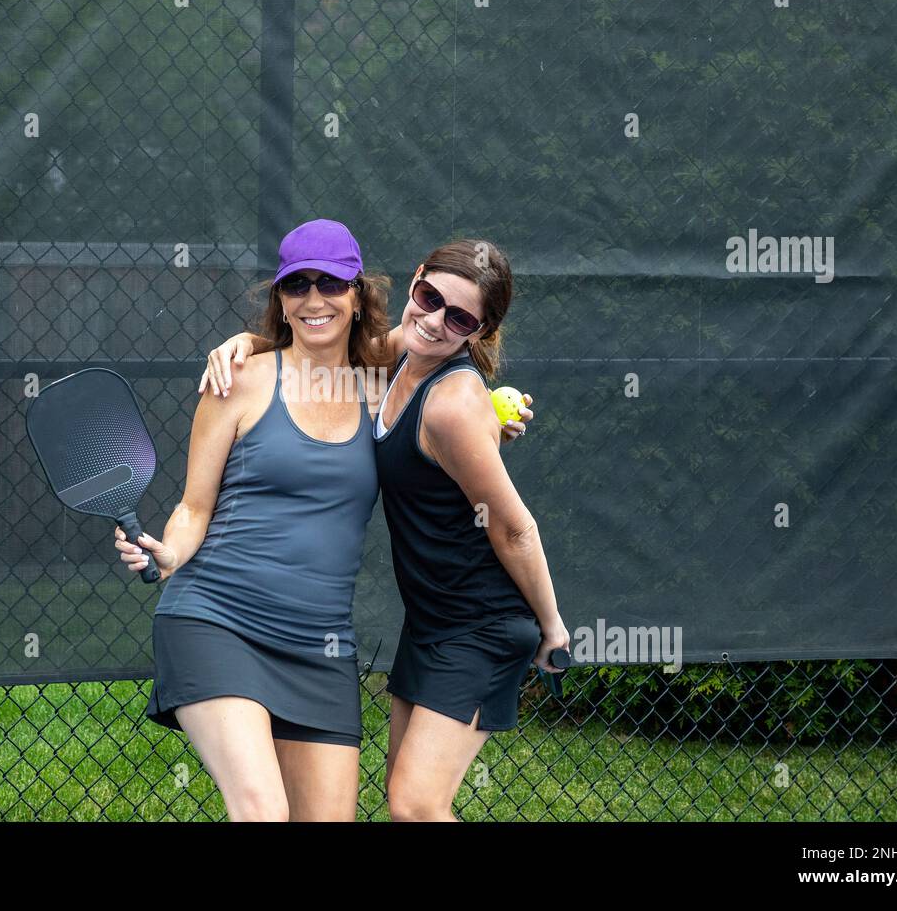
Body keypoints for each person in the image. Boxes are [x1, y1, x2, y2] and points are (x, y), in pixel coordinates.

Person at [200, 238, 568, 821]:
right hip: (429, 620)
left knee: (415, 806)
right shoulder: (397, 353)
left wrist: (553, 628)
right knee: (406, 801)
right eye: (428, 297)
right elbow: (314, 345)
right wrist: (246, 344)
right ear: (416, 279)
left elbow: (515, 529)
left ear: (479, 330)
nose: (434, 320)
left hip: (483, 623)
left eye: (460, 318)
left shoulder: (453, 401)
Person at [114, 218, 389, 822]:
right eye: (297, 287)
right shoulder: (234, 380)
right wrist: (167, 555)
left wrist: (492, 422)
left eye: (331, 284)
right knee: (263, 811)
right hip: (217, 620)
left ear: (359, 295)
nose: (314, 299)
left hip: (321, 646)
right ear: (281, 301)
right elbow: (193, 507)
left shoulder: (384, 389)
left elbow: (448, 377)